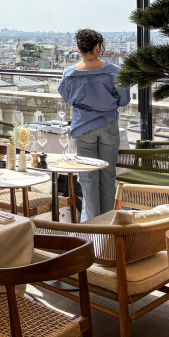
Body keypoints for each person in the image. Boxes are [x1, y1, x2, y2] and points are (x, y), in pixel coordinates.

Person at [58, 29, 131, 222]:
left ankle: (90, 226)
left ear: (79, 49)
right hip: (108, 124)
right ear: (98, 47)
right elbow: (124, 100)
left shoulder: (70, 74)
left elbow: (67, 98)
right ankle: (107, 224)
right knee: (108, 175)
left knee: (88, 178)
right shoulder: (114, 71)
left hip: (83, 127)